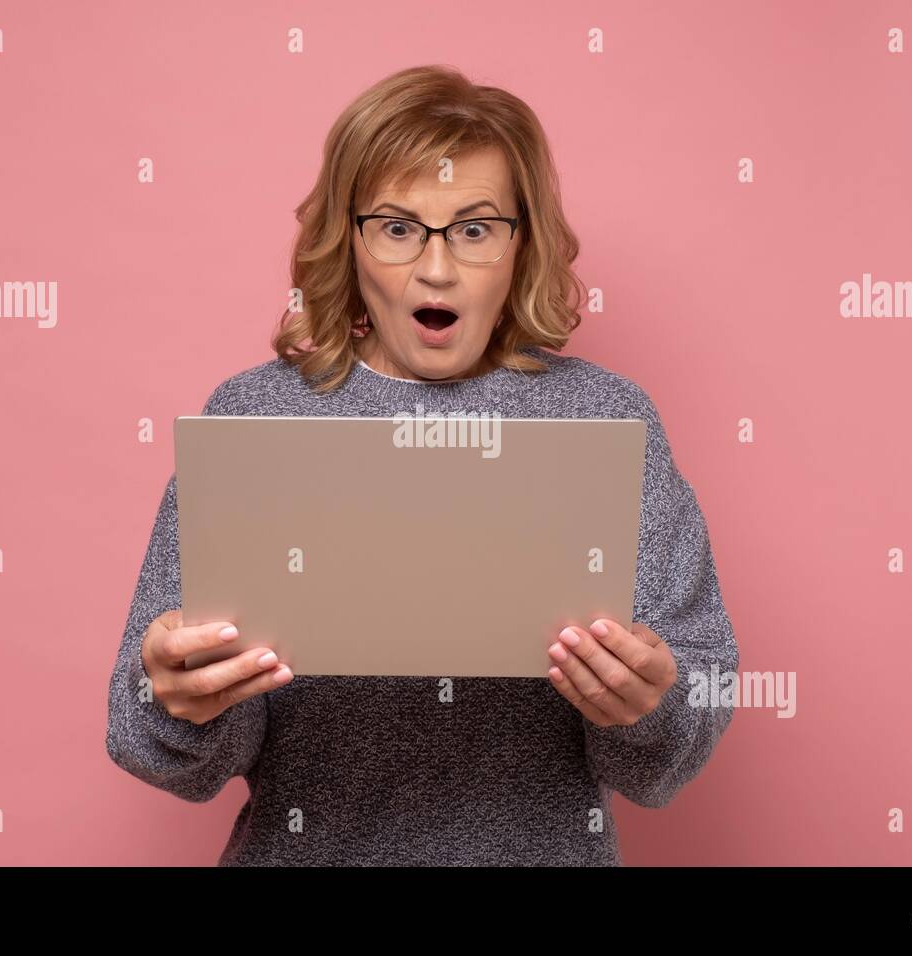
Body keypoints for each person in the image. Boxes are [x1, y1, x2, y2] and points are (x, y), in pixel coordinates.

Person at [105, 64, 739, 866]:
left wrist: (649, 705)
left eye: (474, 229)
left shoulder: (607, 420)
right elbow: (146, 740)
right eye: (399, 228)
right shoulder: (253, 419)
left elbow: (674, 745)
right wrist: (181, 697)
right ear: (350, 239)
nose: (436, 270)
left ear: (521, 245)